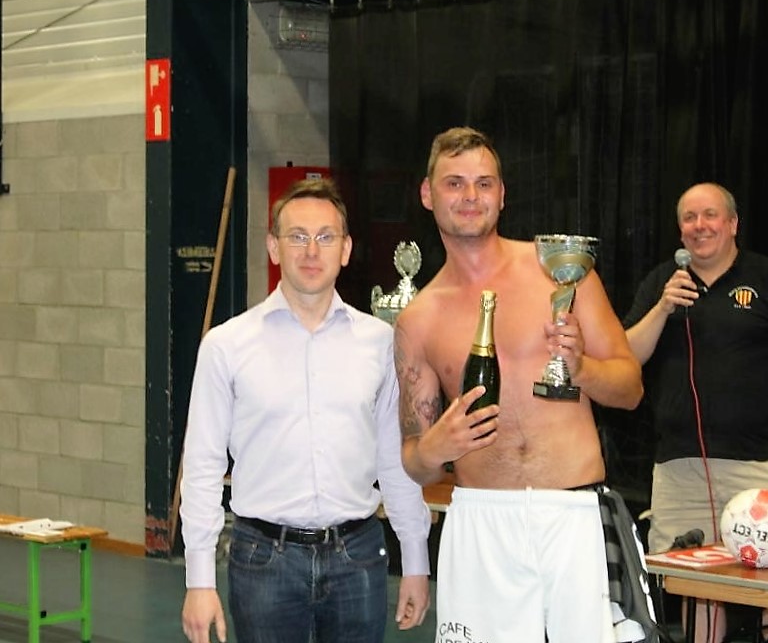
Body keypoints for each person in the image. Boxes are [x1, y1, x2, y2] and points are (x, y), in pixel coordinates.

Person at [394, 126, 653, 642]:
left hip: (574, 515)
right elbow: (415, 460)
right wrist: (435, 447)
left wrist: (582, 368)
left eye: (484, 183)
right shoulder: (418, 320)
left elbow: (630, 389)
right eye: (454, 183)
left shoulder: (560, 272)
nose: (470, 197)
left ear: (502, 194)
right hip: (481, 522)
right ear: (427, 194)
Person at [180, 178, 431, 643]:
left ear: (346, 249)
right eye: (297, 236)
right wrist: (199, 580)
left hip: (358, 560)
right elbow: (201, 466)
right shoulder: (226, 346)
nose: (311, 251)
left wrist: (415, 561)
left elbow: (394, 460)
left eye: (325, 237)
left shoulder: (380, 344)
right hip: (263, 563)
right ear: (273, 247)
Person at [623, 182, 768, 643]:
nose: (700, 226)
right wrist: (662, 308)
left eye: (710, 215)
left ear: (733, 224)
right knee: (699, 595)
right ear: (680, 230)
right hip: (681, 471)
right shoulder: (662, 283)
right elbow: (625, 359)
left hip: (759, 467)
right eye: (689, 218)